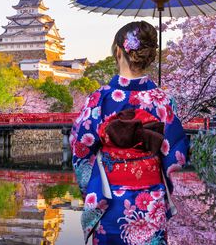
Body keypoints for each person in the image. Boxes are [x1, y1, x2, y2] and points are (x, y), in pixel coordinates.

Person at [71, 21, 189, 244]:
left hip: (111, 199)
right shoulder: (163, 100)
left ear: (118, 51)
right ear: (148, 56)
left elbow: (81, 147)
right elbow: (176, 153)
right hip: (151, 200)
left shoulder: (100, 98)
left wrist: (91, 187)